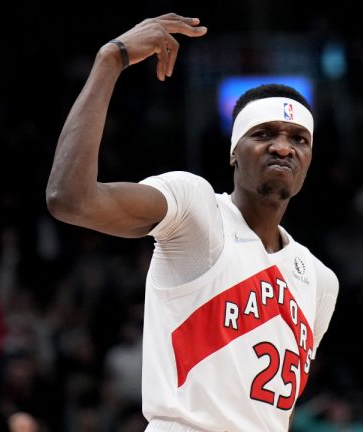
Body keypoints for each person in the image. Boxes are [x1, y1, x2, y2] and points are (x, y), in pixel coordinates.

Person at [46, 12, 339, 432]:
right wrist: (110, 60)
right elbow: (71, 199)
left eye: (299, 139)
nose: (282, 147)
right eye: (264, 134)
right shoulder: (196, 207)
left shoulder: (321, 281)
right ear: (234, 151)